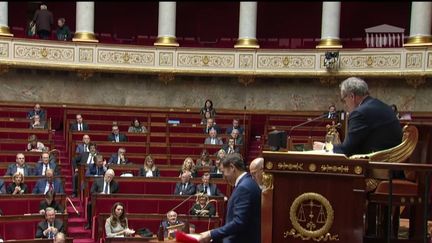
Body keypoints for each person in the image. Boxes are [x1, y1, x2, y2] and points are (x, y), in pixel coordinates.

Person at [313, 77, 403, 157]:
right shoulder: (381, 105)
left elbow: (346, 150)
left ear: (352, 96)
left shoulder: (360, 113)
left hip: (378, 167)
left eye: (344, 100)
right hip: (390, 163)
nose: (345, 105)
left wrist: (324, 147)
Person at [198, 153, 261, 243]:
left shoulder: (244, 187)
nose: (223, 177)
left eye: (223, 172)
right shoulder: (247, 182)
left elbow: (239, 222)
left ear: (232, 167)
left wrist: (211, 234)